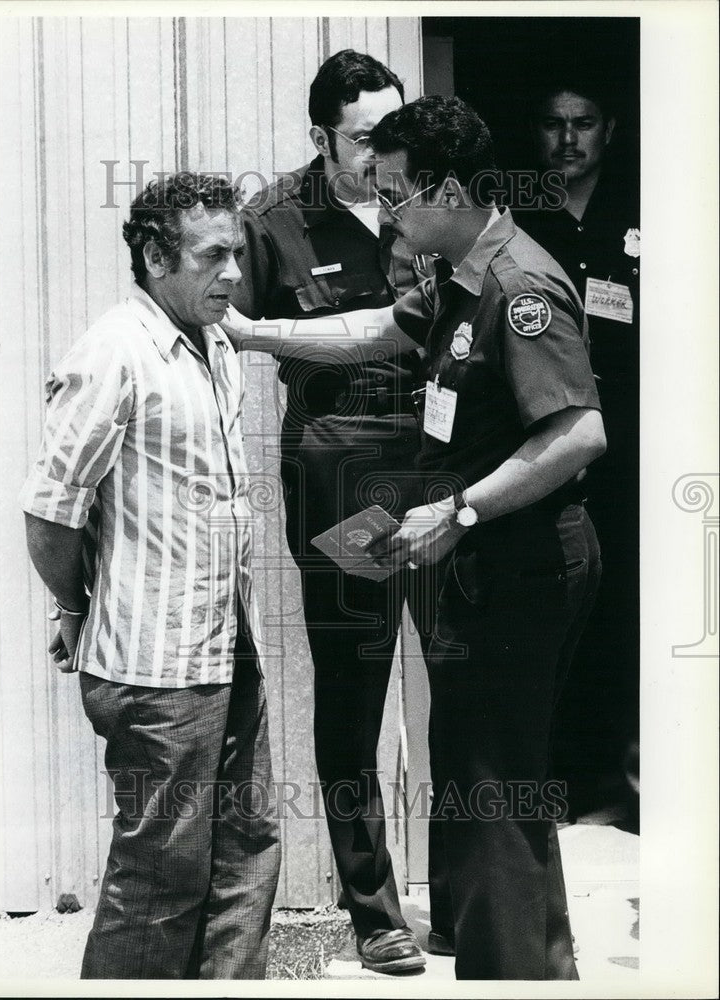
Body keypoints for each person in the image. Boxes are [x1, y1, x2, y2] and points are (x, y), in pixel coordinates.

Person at [223, 94, 606, 980]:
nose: (386, 211)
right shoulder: (457, 275)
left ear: (443, 188)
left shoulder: (518, 289)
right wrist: (251, 333)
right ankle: (500, 954)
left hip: (517, 564)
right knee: (475, 778)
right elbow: (373, 333)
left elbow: (579, 433)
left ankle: (520, 973)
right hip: (467, 562)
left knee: (493, 787)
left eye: (397, 193)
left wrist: (459, 508)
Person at [19, 172, 281, 979]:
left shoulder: (213, 345)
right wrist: (74, 608)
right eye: (213, 256)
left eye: (237, 253)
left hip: (225, 648)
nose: (232, 273)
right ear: (155, 255)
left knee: (245, 853)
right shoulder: (114, 353)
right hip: (154, 667)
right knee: (160, 881)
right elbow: (50, 510)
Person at [230, 49, 451, 972]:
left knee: (460, 678)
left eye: (392, 133)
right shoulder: (272, 219)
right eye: (364, 138)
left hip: (445, 465)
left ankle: (470, 894)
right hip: (338, 467)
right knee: (356, 684)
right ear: (320, 136)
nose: (382, 153)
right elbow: (212, 327)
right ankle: (375, 912)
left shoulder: (427, 201)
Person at [521, 78, 640, 813]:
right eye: (553, 124)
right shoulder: (519, 220)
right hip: (549, 441)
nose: (569, 139)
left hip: (632, 445)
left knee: (631, 609)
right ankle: (554, 780)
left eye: (584, 123)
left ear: (610, 130)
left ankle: (627, 786)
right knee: (554, 607)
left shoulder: (643, 213)